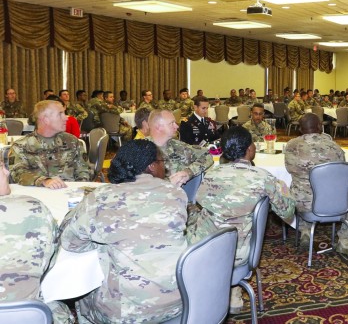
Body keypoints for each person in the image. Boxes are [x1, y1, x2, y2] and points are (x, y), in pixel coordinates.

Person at [60, 140, 187, 323]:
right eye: (162, 162)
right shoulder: (176, 193)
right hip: (181, 301)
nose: (165, 168)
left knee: (83, 296)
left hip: (130, 312)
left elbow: (70, 243)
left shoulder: (101, 198)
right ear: (151, 166)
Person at [187, 126, 295, 314]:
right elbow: (288, 211)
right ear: (250, 149)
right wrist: (283, 187)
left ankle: (227, 292)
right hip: (238, 254)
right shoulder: (262, 177)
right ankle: (233, 290)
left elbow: (199, 202)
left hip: (200, 252)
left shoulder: (211, 174)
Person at [0, 163, 75, 324]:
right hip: (27, 314)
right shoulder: (32, 209)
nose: (7, 172)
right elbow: (53, 261)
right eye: (1, 167)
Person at [284, 113, 348, 253]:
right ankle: (345, 241)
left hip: (302, 203)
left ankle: (305, 231)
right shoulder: (334, 147)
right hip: (333, 202)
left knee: (297, 188)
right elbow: (340, 169)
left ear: (300, 129)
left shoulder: (291, 146)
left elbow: (289, 168)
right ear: (320, 127)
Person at [10, 100, 91, 188]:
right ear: (46, 120)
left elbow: (84, 170)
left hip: (69, 193)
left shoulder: (72, 141)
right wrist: (44, 181)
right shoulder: (21, 145)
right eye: (60, 114)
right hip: (37, 194)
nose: (66, 118)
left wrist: (78, 191)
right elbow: (18, 173)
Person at [148, 109, 213, 187]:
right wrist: (168, 183)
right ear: (159, 127)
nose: (177, 126)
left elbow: (207, 154)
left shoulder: (177, 146)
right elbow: (136, 184)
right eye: (172, 123)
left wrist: (188, 172)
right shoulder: (140, 151)